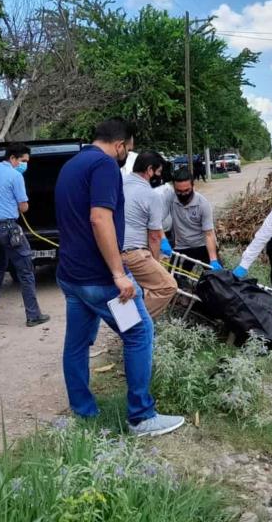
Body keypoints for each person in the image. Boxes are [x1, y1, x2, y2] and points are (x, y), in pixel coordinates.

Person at [54, 118, 184, 437]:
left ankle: (84, 412)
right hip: (100, 281)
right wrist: (118, 272)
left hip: (71, 277)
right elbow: (100, 218)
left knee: (77, 343)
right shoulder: (105, 166)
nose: (129, 153)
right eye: (130, 147)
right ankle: (141, 416)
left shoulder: (72, 165)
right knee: (140, 333)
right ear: (120, 144)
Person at [0, 144, 49, 326]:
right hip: (8, 228)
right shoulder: (15, 176)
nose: (25, 165)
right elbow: (23, 207)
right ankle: (33, 315)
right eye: (23, 161)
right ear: (13, 158)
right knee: (26, 270)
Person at [121, 151, 177, 319]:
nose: (159, 177)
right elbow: (154, 237)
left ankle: (130, 323)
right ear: (149, 170)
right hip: (134, 253)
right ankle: (136, 325)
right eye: (158, 172)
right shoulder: (151, 195)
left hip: (113, 252)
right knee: (167, 286)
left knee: (133, 292)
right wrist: (155, 262)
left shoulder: (119, 184)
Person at [161, 169, 223, 271]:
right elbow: (156, 221)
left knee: (218, 280)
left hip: (203, 245)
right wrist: (163, 240)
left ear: (193, 186)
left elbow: (209, 234)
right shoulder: (169, 197)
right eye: (179, 191)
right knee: (175, 282)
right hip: (181, 247)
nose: (183, 194)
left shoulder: (202, 204)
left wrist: (213, 260)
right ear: (174, 188)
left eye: (187, 190)